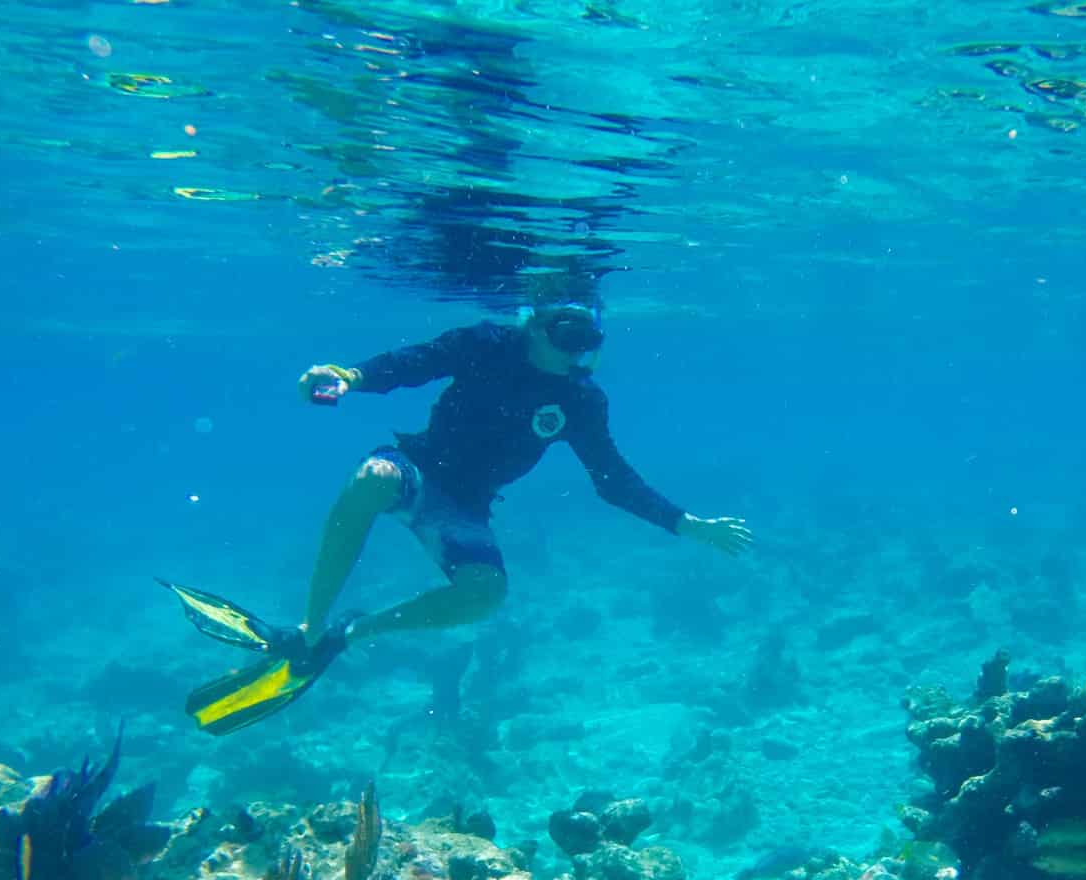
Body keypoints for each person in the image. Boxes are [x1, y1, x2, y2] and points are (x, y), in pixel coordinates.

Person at [161, 291, 752, 735]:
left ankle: (341, 637)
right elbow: (412, 363)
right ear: (536, 323)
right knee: (372, 479)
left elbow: (612, 479)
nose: (579, 352)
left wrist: (685, 523)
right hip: (417, 470)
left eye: (590, 338)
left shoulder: (580, 400)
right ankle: (306, 630)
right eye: (568, 333)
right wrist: (349, 377)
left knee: (485, 594)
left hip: (466, 504)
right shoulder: (485, 344)